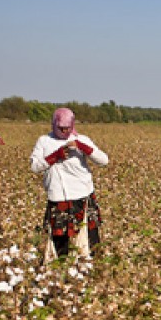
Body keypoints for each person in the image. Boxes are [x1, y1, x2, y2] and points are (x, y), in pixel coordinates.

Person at [30, 108, 109, 257]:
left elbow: (104, 160)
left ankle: (89, 268)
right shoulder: (44, 141)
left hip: (82, 195)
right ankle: (61, 270)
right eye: (61, 128)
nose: (65, 131)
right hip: (58, 197)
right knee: (59, 241)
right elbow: (35, 167)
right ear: (54, 125)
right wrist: (55, 156)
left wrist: (82, 147)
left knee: (88, 239)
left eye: (68, 128)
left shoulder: (81, 139)